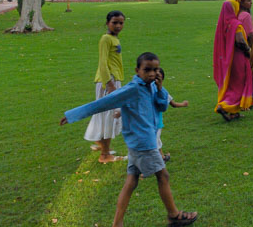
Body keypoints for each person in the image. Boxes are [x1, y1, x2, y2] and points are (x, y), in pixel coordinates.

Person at [60, 52, 198, 227]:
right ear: (137, 70)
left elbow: (162, 106)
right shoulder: (132, 89)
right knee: (163, 175)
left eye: (155, 69)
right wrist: (72, 115)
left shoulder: (153, 86)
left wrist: (161, 88)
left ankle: (117, 223)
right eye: (147, 70)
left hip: (138, 144)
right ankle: (173, 215)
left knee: (131, 181)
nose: (152, 73)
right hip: (143, 144)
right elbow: (103, 103)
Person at [85, 10, 126, 163]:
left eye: (121, 23)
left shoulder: (114, 39)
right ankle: (105, 155)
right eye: (114, 22)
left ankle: (102, 146)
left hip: (114, 81)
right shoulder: (106, 39)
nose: (118, 26)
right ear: (107, 23)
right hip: (108, 82)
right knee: (109, 116)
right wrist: (109, 85)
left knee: (105, 116)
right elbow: (102, 63)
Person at [213, 1, 253, 121]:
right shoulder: (236, 24)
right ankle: (224, 106)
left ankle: (234, 112)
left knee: (232, 84)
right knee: (239, 84)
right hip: (238, 58)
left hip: (227, 57)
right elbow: (240, 41)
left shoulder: (223, 24)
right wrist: (248, 49)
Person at [154, 68, 188, 163]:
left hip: (157, 122)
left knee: (155, 140)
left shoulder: (163, 92)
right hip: (150, 122)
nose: (156, 79)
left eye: (158, 77)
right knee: (155, 141)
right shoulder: (148, 89)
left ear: (162, 79)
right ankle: (160, 158)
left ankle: (160, 158)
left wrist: (183, 104)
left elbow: (173, 104)